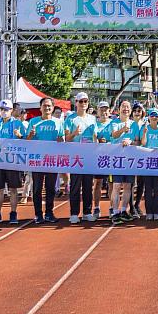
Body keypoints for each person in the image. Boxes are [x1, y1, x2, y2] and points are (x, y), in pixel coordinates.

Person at [0, 99, 26, 225]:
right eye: (2, 109)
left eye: (7, 109)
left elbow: (26, 141)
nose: (4, 112)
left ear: (11, 111)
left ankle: (13, 214)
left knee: (13, 189)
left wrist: (20, 136)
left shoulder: (18, 124)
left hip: (12, 161)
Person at [26, 97, 64, 224]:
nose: (47, 108)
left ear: (52, 108)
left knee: (51, 188)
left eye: (49, 106)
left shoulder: (58, 122)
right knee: (37, 188)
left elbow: (62, 140)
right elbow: (27, 140)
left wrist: (60, 140)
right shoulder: (33, 121)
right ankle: (38, 214)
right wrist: (30, 135)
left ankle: (49, 212)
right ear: (40, 107)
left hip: (52, 159)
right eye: (44, 106)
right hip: (37, 160)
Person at [64, 92, 98, 224]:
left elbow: (95, 136)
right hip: (76, 157)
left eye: (86, 101)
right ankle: (74, 213)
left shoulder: (92, 119)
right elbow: (66, 138)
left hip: (88, 155)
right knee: (75, 186)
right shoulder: (70, 119)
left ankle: (87, 212)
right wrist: (74, 133)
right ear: (76, 103)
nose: (83, 103)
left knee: (88, 185)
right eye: (81, 101)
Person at [109, 100, 140, 224]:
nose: (125, 109)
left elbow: (138, 142)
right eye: (123, 106)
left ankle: (123, 211)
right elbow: (114, 135)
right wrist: (122, 130)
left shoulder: (134, 125)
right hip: (116, 159)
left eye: (128, 107)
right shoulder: (114, 122)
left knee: (128, 186)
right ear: (119, 109)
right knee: (116, 186)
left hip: (130, 160)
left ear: (130, 110)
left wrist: (131, 142)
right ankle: (115, 212)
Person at [140, 108, 158, 221]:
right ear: (149, 117)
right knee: (148, 189)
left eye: (156, 116)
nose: (154, 118)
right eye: (152, 116)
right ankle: (149, 211)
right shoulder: (145, 129)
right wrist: (145, 133)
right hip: (147, 163)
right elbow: (143, 143)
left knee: (157, 188)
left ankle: (157, 211)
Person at [92, 101, 114, 218]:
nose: (104, 112)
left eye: (106, 109)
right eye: (102, 109)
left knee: (111, 184)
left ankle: (111, 207)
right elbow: (93, 138)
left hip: (111, 158)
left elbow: (116, 138)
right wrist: (98, 141)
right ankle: (96, 207)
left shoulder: (113, 123)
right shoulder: (94, 124)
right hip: (98, 158)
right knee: (97, 183)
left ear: (109, 111)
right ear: (98, 111)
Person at [128, 102, 147, 218]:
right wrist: (134, 141)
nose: (137, 112)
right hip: (129, 156)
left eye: (139, 111)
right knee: (130, 183)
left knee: (141, 183)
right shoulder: (129, 124)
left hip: (141, 156)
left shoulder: (144, 124)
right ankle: (131, 206)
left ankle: (137, 204)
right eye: (135, 110)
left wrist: (135, 141)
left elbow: (141, 141)